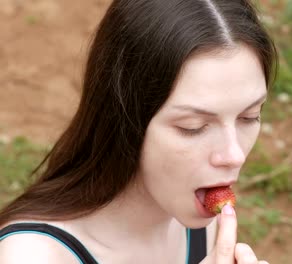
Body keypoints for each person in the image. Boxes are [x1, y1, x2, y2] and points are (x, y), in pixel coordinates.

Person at [0, 0, 276, 263]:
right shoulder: (31, 256)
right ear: (124, 119)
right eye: (192, 127)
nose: (234, 155)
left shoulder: (201, 224)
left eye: (249, 116)